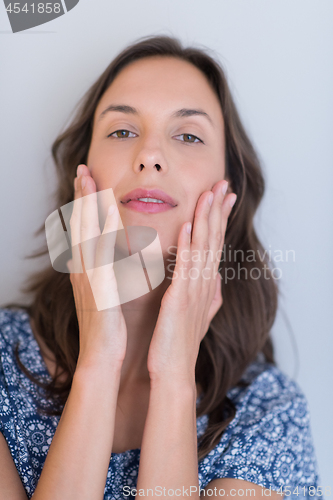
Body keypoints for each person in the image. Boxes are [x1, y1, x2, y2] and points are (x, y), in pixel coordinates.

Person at [0, 35, 321, 500]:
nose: (149, 156)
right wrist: (98, 364)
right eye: (122, 131)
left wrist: (174, 376)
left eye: (188, 135)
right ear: (81, 173)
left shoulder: (268, 414)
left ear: (227, 188)